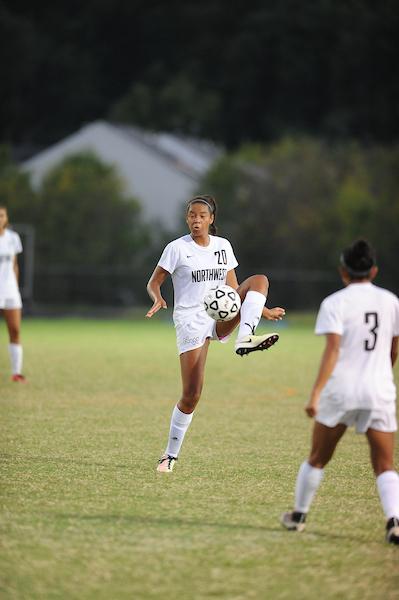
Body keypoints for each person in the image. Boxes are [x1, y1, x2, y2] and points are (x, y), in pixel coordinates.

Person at [146, 195, 285, 473]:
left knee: (259, 280)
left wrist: (263, 310)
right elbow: (154, 282)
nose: (196, 220)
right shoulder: (177, 248)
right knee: (192, 394)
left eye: (201, 216)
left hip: (219, 313)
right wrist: (158, 298)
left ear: (211, 220)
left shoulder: (223, 247)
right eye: (191, 216)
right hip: (191, 320)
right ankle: (169, 456)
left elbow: (233, 288)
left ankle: (245, 336)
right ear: (187, 219)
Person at [281, 239, 399, 545]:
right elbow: (393, 347)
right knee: (385, 464)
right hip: (379, 390)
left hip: (342, 391)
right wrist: (380, 372)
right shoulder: (391, 301)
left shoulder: (334, 303)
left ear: (342, 271)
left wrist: (315, 394)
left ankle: (298, 516)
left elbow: (333, 350)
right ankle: (394, 521)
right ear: (373, 270)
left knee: (318, 457)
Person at [0, 205, 26, 382]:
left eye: (1, 215)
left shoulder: (12, 238)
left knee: (15, 330)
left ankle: (16, 373)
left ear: (6, 218)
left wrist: (15, 286)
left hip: (9, 290)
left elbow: (14, 265)